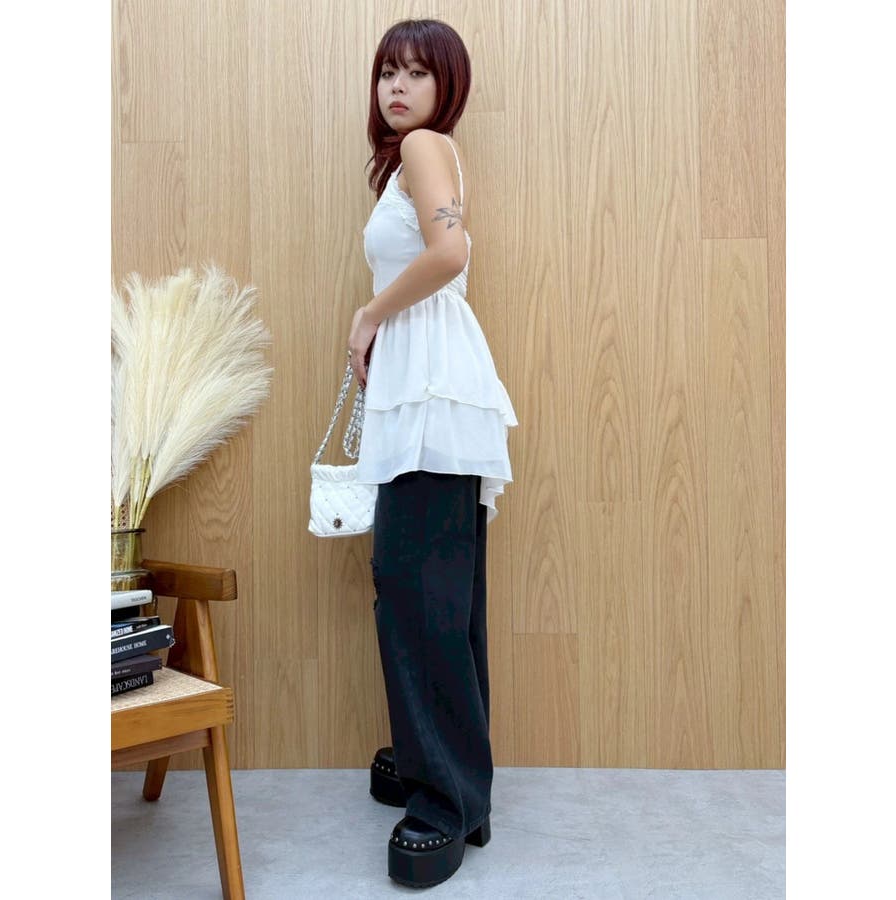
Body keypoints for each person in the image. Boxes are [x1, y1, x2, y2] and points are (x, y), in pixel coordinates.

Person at [346, 18, 517, 889]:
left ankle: (445, 801)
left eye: (417, 72)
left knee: (420, 594)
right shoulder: (417, 157)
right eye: (388, 71)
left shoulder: (422, 146)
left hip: (434, 399)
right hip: (428, 396)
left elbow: (450, 252)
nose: (398, 87)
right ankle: (445, 775)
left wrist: (369, 314)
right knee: (427, 593)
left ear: (447, 85)